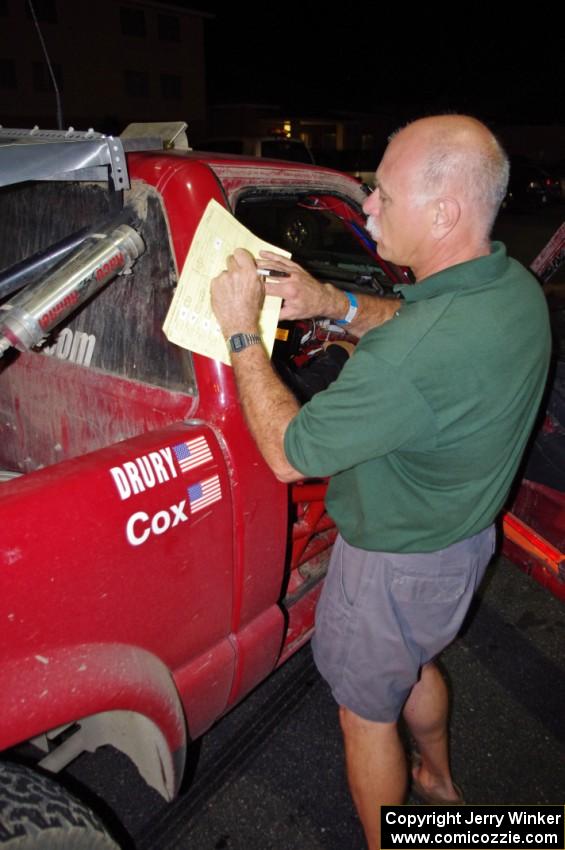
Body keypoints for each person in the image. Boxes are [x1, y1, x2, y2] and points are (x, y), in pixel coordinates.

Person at [210, 115, 551, 849]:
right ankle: (438, 782)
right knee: (413, 661)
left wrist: (241, 332)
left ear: (442, 212)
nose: (365, 209)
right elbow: (414, 322)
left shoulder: (407, 362)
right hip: (458, 544)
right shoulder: (509, 287)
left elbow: (289, 454)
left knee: (363, 712)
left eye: (380, 198)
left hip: (390, 565)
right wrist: (332, 303)